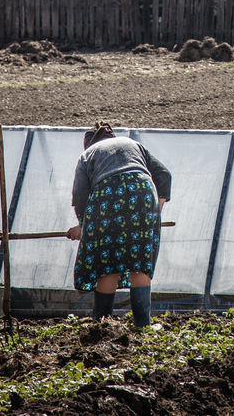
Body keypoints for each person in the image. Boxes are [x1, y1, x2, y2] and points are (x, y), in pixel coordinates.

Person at [66, 122, 171, 326]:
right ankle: (143, 325)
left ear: (89, 143)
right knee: (139, 264)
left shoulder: (88, 154)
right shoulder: (132, 143)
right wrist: (154, 212)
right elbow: (164, 175)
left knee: (108, 263)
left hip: (107, 196)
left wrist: (84, 225)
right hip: (143, 193)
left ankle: (101, 323)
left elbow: (80, 195)